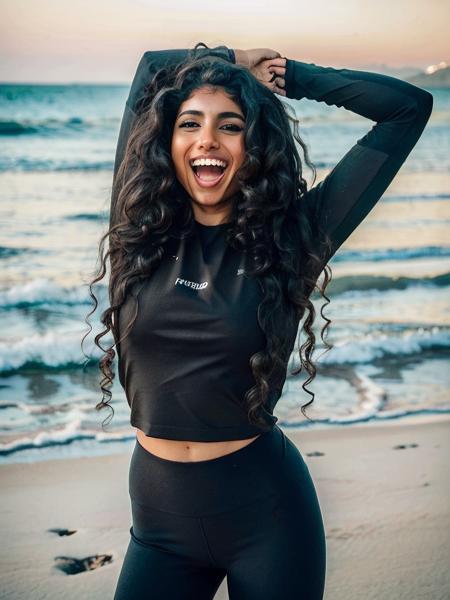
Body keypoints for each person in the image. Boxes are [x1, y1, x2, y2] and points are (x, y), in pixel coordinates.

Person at [86, 42, 432, 599]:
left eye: (230, 125)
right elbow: (153, 67)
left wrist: (293, 76)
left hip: (267, 519)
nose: (206, 140)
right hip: (158, 524)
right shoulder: (137, 232)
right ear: (166, 140)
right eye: (190, 123)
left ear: (254, 142)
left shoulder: (294, 239)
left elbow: (407, 108)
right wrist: (233, 56)